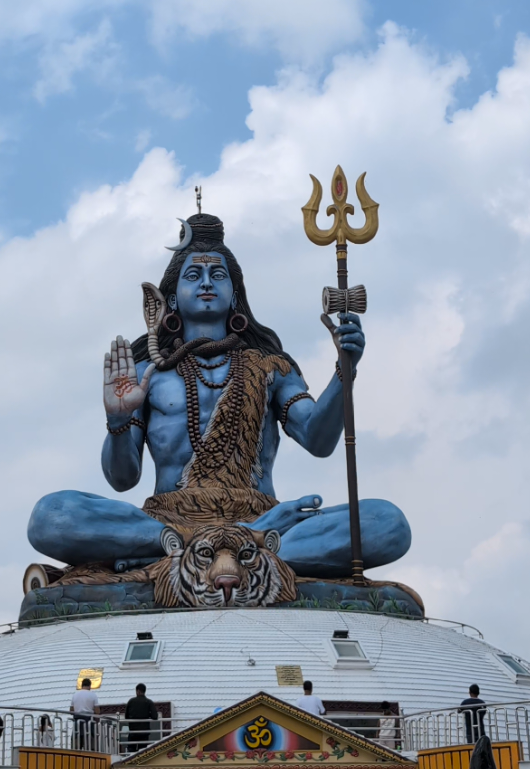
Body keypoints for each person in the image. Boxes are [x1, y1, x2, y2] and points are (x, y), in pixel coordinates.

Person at [26, 211, 411, 582]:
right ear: (171, 298)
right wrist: (117, 422)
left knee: (387, 523)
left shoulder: (271, 367)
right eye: (194, 274)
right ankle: (237, 548)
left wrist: (345, 371)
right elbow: (123, 479)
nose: (207, 282)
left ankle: (196, 550)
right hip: (170, 522)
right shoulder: (148, 374)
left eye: (218, 275)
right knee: (51, 515)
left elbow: (319, 439)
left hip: (262, 517)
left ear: (234, 293)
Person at [124, 684, 160, 752]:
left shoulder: (131, 701)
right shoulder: (149, 702)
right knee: (142, 752)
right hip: (144, 733)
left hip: (133, 732)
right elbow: (155, 717)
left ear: (137, 691)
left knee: (131, 752)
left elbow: (126, 717)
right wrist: (147, 714)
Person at [71, 678, 98, 751]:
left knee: (77, 738)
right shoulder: (93, 695)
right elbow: (97, 710)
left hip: (77, 720)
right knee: (90, 739)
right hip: (89, 720)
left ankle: (76, 750)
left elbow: (71, 710)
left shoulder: (75, 695)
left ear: (82, 685)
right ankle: (91, 751)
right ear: (90, 686)